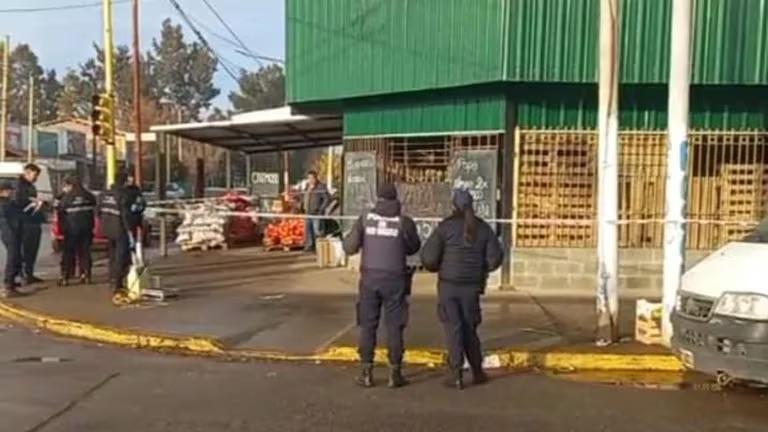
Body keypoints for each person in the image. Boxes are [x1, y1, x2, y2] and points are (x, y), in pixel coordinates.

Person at [420, 188, 504, 390]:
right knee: (469, 329)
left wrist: (438, 266)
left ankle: (456, 373)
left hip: (449, 286)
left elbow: (428, 258)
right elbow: (495, 258)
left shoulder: (445, 228)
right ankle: (477, 370)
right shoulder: (483, 228)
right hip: (472, 287)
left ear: (453, 205)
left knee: (454, 328)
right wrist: (481, 268)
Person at [342, 182, 421, 388]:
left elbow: (349, 247)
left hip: (369, 279)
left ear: (378, 198)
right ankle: (395, 373)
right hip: (396, 279)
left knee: (368, 325)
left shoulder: (366, 219)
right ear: (396, 199)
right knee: (395, 326)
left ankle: (366, 373)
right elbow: (414, 248)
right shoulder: (404, 222)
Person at [99, 173, 144, 297]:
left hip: (107, 229)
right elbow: (126, 215)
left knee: (112, 255)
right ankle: (117, 283)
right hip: (120, 230)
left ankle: (111, 278)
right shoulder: (124, 195)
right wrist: (130, 231)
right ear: (124, 182)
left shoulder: (104, 194)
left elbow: (98, 211)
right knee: (120, 256)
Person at [57, 177, 97, 286]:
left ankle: (65, 276)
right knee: (85, 252)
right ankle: (86, 275)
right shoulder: (89, 196)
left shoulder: (67, 197)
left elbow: (59, 210)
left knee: (68, 253)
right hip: (87, 228)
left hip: (71, 229)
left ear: (69, 185)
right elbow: (94, 207)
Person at [13, 163, 45, 284]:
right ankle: (23, 274)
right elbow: (18, 202)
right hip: (24, 221)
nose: (36, 178)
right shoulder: (19, 186)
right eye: (34, 175)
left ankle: (29, 273)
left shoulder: (30, 186)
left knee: (32, 249)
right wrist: (32, 203)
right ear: (27, 172)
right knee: (25, 249)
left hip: (33, 220)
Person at [0, 181, 23, 297]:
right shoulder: (4, 204)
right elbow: (11, 218)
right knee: (12, 258)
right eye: (9, 190)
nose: (11, 192)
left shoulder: (7, 203)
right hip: (10, 232)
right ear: (3, 191)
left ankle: (11, 282)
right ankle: (8, 285)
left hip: (8, 232)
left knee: (15, 257)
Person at [303, 170, 330, 253]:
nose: (310, 180)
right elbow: (304, 197)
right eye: (309, 178)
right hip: (308, 212)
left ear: (316, 178)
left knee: (317, 231)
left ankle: (319, 248)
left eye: (312, 178)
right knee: (308, 230)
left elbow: (327, 198)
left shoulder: (321, 186)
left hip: (317, 213)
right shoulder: (307, 186)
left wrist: (321, 209)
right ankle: (309, 246)